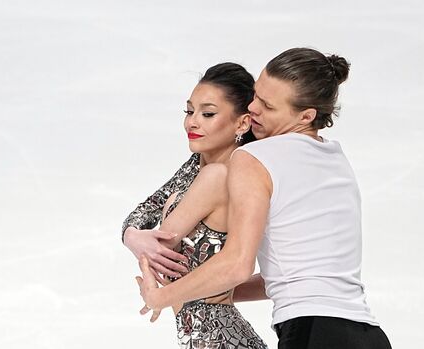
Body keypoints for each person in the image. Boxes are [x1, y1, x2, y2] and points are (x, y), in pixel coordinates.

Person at [136, 48, 392, 349]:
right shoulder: (336, 159)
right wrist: (218, 292)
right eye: (256, 95)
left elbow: (237, 264)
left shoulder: (254, 157)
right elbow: (297, 276)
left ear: (306, 115)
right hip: (369, 336)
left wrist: (161, 297)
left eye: (268, 106)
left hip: (313, 334)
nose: (252, 109)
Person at [124, 62, 268, 348]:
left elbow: (161, 248)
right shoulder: (196, 167)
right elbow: (145, 211)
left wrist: (143, 248)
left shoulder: (218, 175)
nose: (193, 122)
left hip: (216, 337)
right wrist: (131, 234)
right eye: (189, 111)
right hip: (212, 333)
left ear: (242, 123)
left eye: (208, 113)